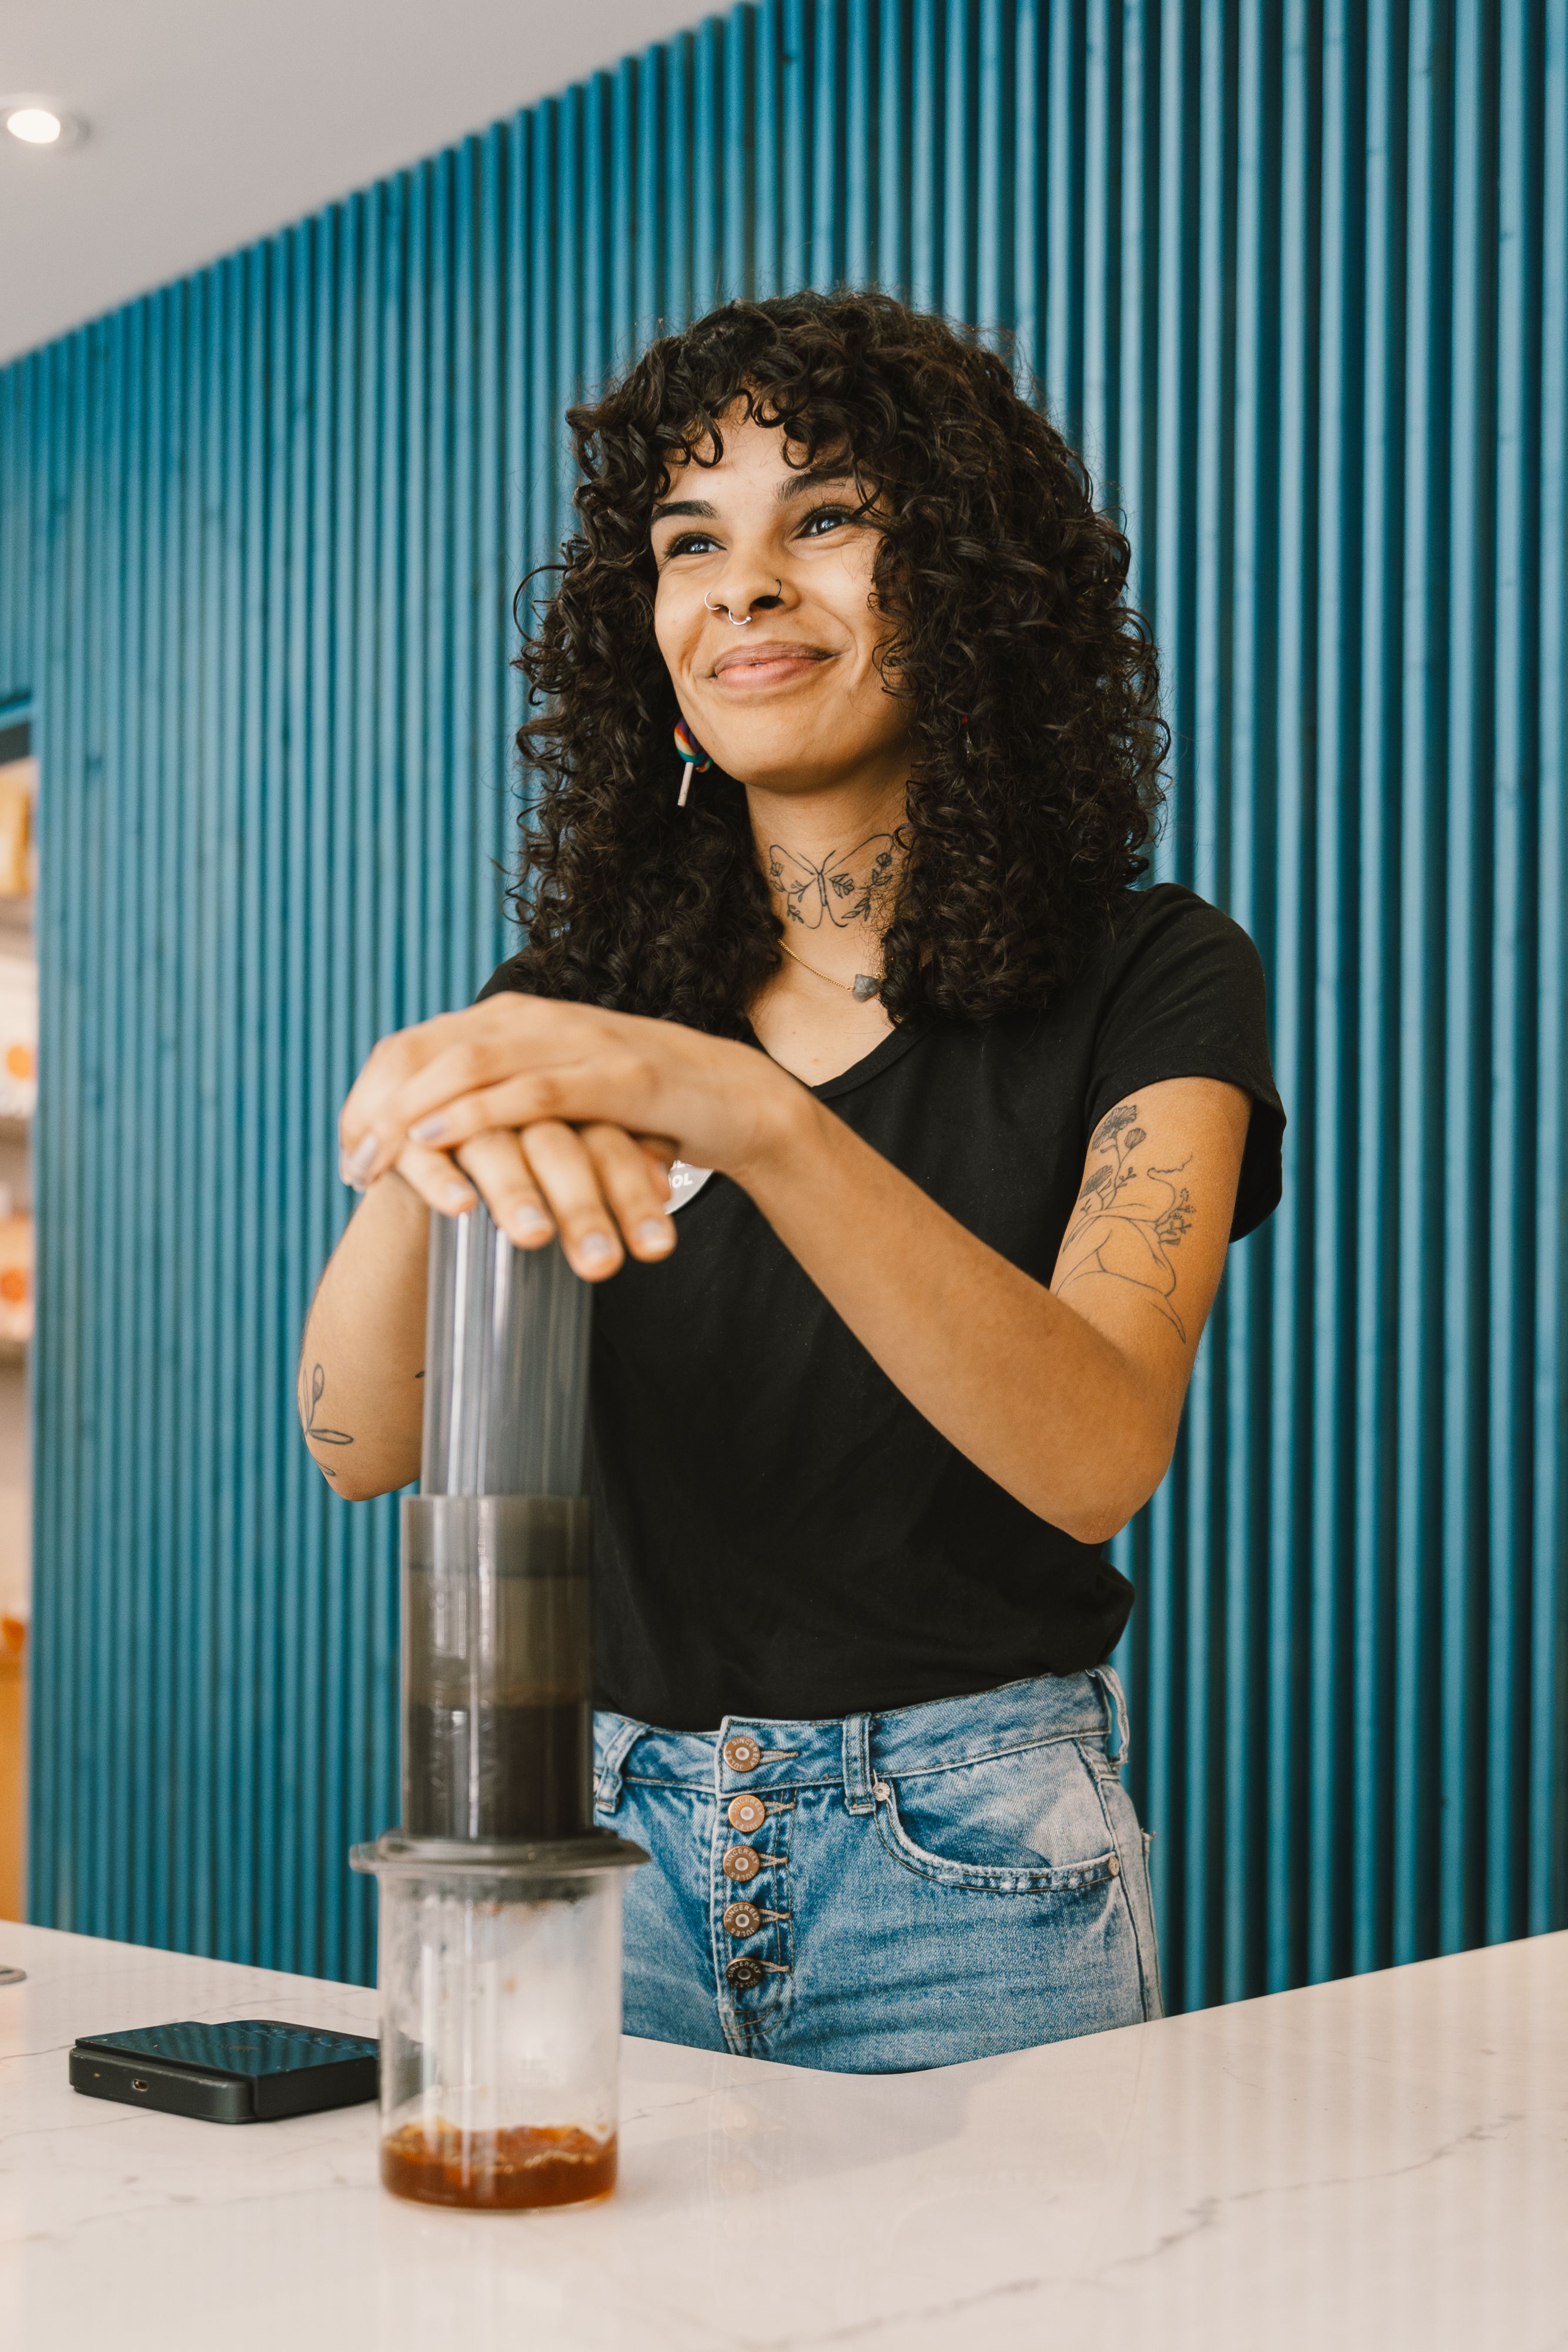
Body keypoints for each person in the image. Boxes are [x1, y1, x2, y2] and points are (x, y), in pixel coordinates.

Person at [302, 290, 1283, 2074]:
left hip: (964, 1852)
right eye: (694, 543)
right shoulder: (577, 1015)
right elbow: (358, 1445)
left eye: (822, 518)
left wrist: (756, 1115)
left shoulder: (1154, 971)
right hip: (574, 1825)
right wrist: (414, 1138)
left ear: (974, 589)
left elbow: (1093, 1458)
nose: (745, 586)